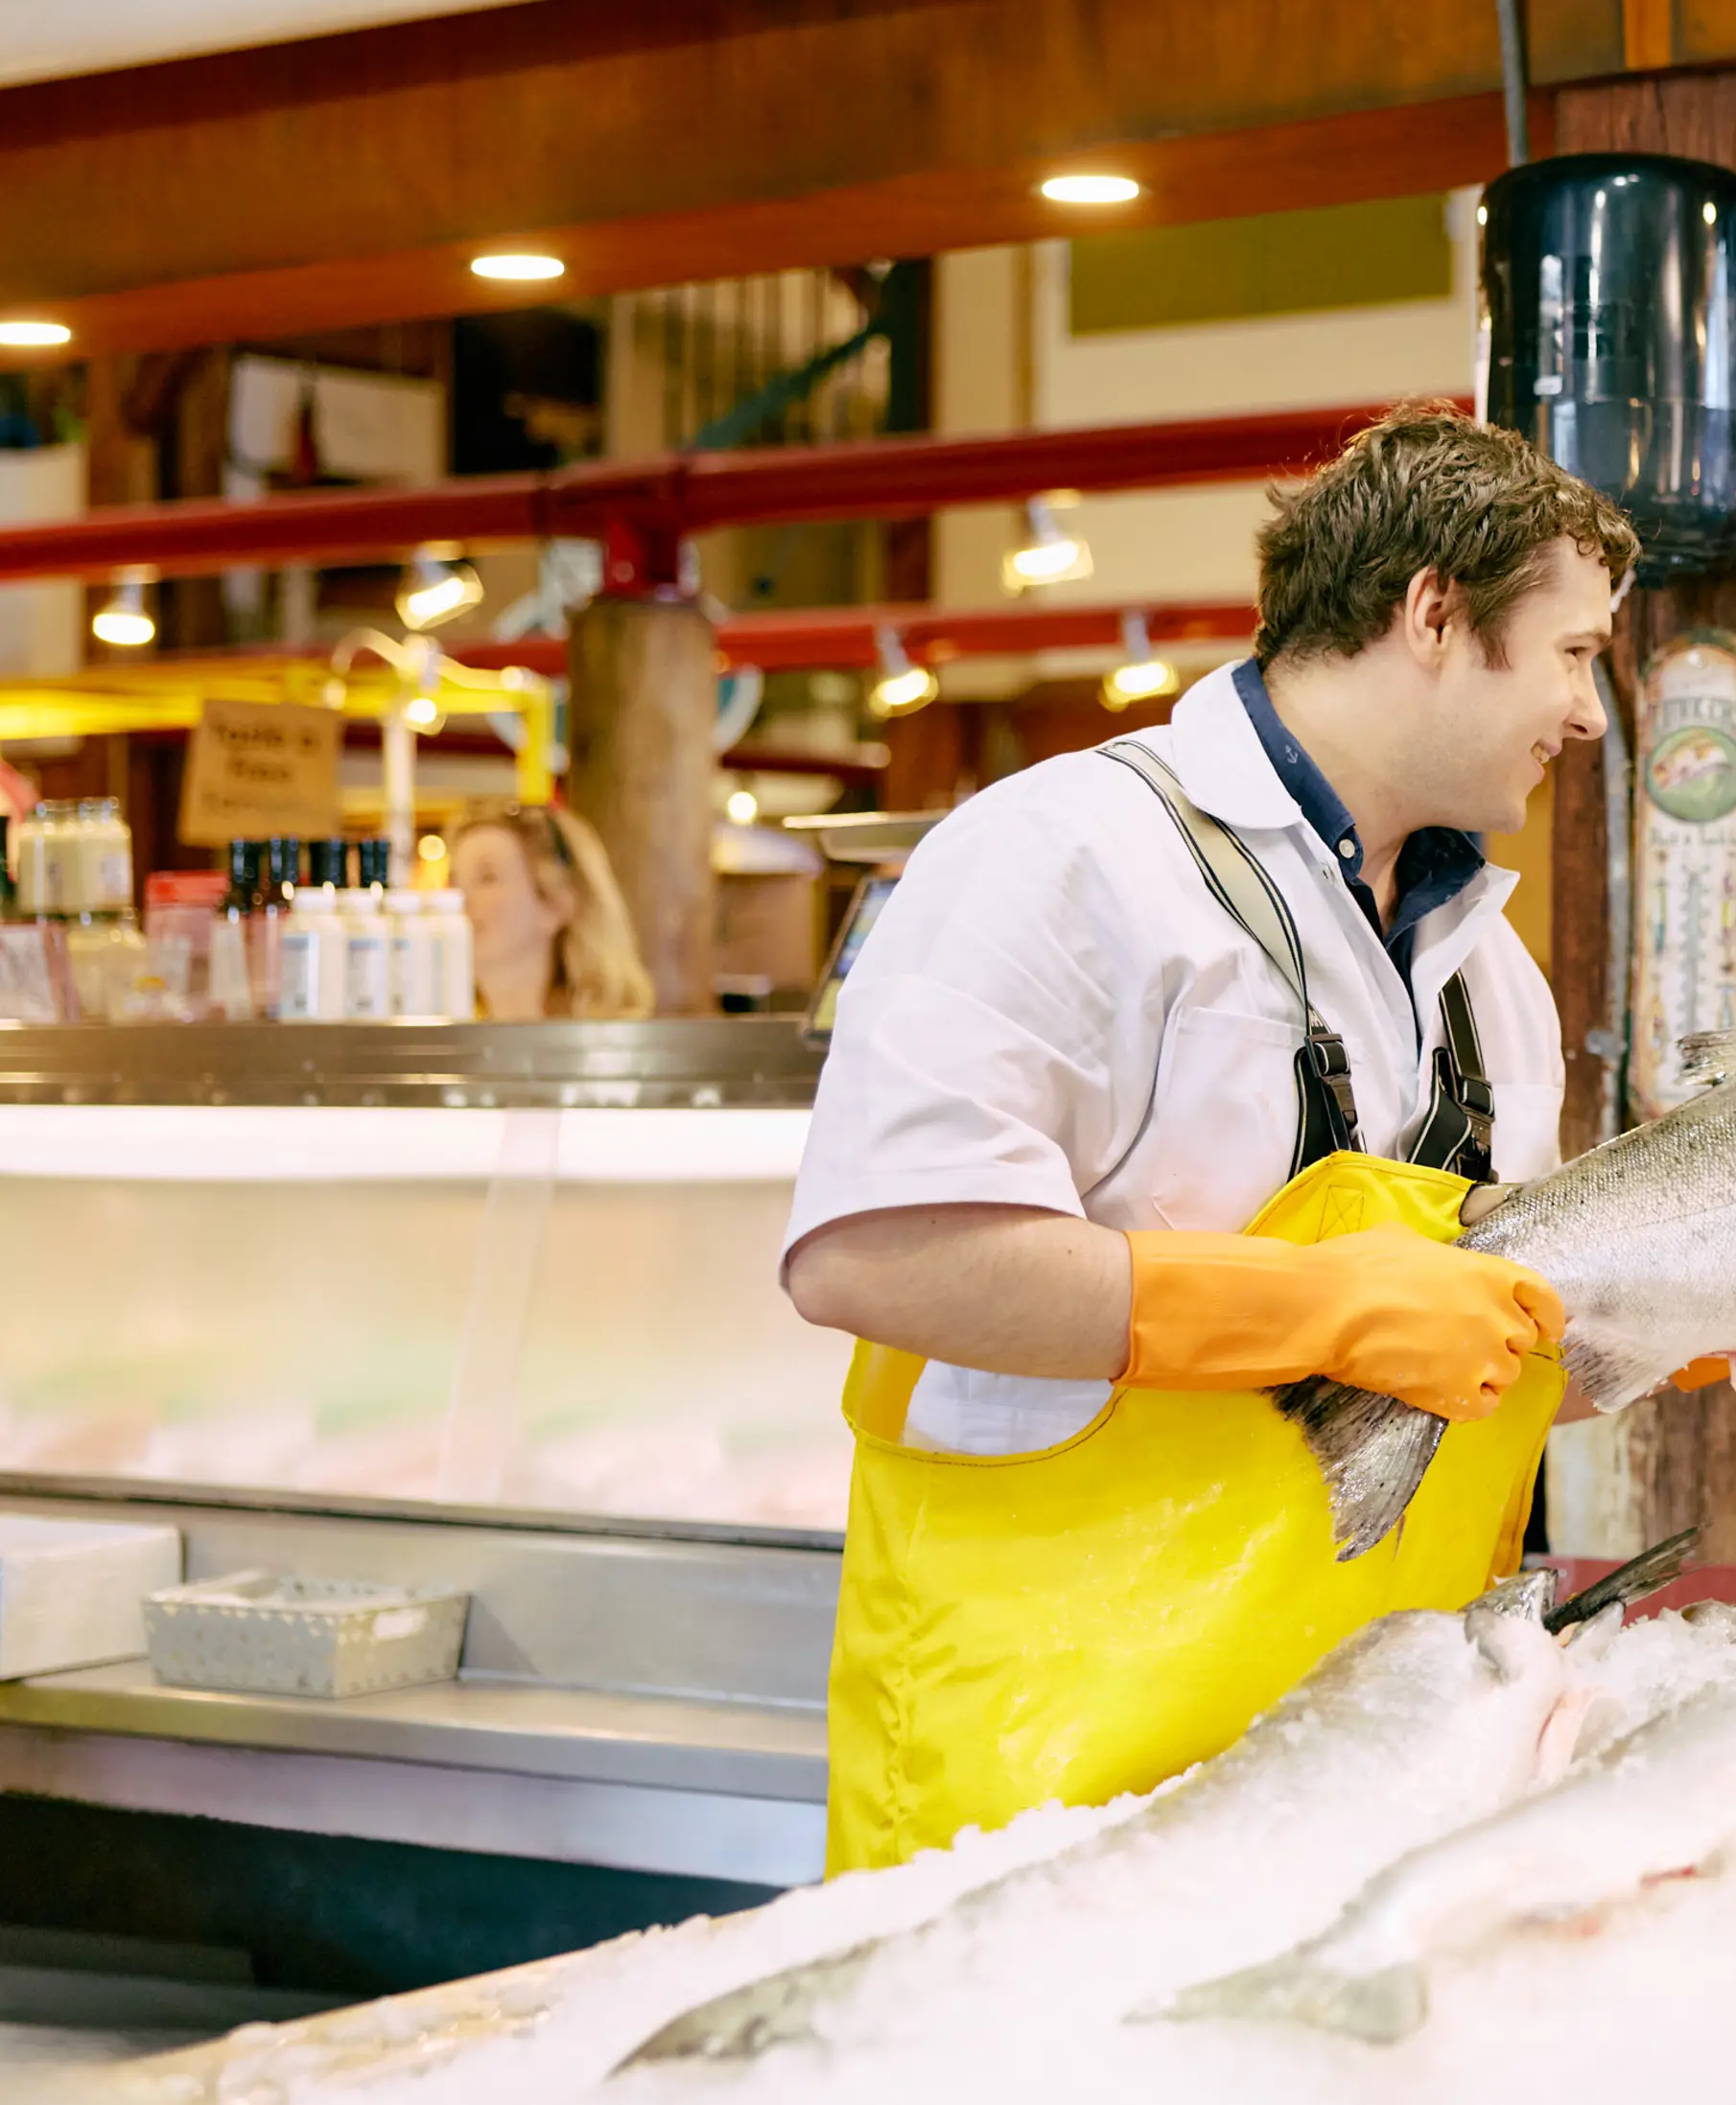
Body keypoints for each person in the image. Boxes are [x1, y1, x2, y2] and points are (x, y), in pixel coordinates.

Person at [781, 403, 1664, 1872]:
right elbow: (881, 1257)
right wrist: (1326, 1303)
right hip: (1048, 1769)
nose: (1588, 713)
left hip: (1376, 1758)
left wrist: (1667, 1328)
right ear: (1434, 613)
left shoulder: (1491, 974)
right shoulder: (1061, 854)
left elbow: (1463, 1367)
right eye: (1575, 654)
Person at [446, 800, 653, 1018]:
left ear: (556, 903)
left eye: (487, 878)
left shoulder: (616, 1042)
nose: (458, 899)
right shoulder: (435, 1042)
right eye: (455, 880)